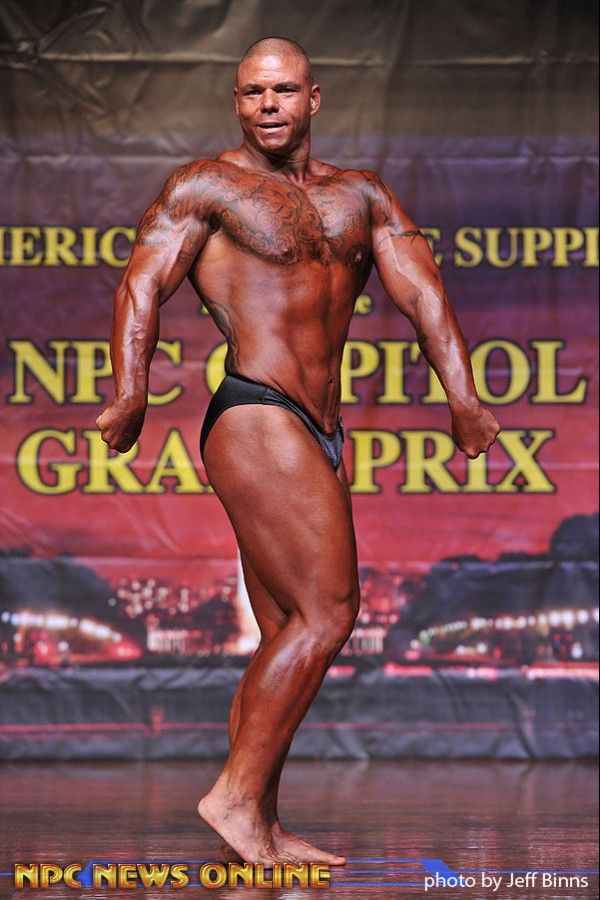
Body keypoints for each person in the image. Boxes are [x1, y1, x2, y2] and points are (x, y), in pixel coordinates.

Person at [97, 37, 500, 866]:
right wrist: (131, 390)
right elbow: (141, 282)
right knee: (330, 613)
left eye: (282, 90)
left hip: (320, 426)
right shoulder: (206, 187)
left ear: (313, 98)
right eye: (252, 92)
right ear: (236, 102)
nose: (267, 105)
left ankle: (261, 824)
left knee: (286, 627)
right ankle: (234, 798)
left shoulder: (362, 196)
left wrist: (464, 398)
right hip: (256, 410)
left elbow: (425, 295)